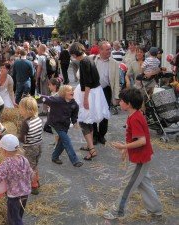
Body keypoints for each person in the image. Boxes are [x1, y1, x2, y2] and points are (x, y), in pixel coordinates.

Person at [103, 88, 162, 220]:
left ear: (128, 104)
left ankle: (117, 211)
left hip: (139, 159)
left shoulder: (135, 118)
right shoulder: (134, 115)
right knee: (144, 183)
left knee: (127, 184)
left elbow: (142, 141)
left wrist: (123, 146)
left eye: (121, 101)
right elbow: (134, 138)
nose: (119, 102)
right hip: (141, 157)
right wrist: (126, 149)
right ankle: (155, 210)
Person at [69, 42, 110, 161]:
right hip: (95, 92)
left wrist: (85, 99)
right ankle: (89, 145)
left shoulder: (84, 62)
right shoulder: (89, 59)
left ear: (74, 53)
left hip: (90, 93)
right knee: (89, 120)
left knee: (83, 120)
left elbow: (87, 82)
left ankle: (91, 149)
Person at [0, 134, 33, 225]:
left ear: (4, 151)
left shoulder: (6, 164)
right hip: (25, 193)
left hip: (14, 197)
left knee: (14, 219)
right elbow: (31, 173)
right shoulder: (24, 159)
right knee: (18, 215)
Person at [38, 85, 84, 167]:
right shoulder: (57, 100)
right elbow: (45, 98)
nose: (72, 92)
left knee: (62, 143)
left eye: (72, 90)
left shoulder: (74, 104)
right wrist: (32, 98)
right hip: (56, 124)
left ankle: (55, 157)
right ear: (63, 93)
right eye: (69, 91)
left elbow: (74, 114)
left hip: (65, 125)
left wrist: (74, 122)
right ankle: (75, 161)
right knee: (67, 141)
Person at [90, 41, 119, 145]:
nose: (109, 51)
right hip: (93, 90)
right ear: (100, 50)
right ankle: (94, 135)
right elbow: (81, 74)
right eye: (107, 49)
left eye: (110, 49)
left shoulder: (114, 63)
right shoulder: (92, 60)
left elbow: (116, 81)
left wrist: (116, 96)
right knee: (92, 112)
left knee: (104, 113)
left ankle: (102, 135)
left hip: (106, 90)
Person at [18, 96, 43, 195]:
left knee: (29, 167)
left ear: (26, 110)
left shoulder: (25, 123)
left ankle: (34, 186)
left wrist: (16, 138)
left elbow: (22, 139)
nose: (19, 110)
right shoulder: (38, 119)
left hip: (30, 148)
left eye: (21, 109)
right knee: (34, 164)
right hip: (39, 145)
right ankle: (37, 180)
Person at [36, 44, 50, 116]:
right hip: (50, 78)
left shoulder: (41, 58)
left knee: (44, 94)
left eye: (38, 48)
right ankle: (49, 108)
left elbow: (39, 69)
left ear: (41, 49)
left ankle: (45, 111)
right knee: (49, 93)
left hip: (43, 78)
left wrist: (36, 79)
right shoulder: (49, 56)